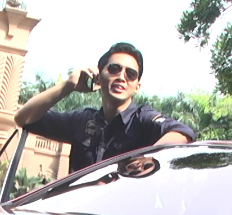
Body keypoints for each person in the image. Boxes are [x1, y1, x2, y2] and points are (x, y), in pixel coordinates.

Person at [14, 42, 196, 174]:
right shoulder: (82, 121)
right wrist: (68, 85)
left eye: (130, 74)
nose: (122, 77)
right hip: (76, 211)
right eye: (114, 69)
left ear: (137, 86)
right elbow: (23, 118)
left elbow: (183, 133)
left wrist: (147, 157)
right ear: (98, 77)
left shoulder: (142, 119)